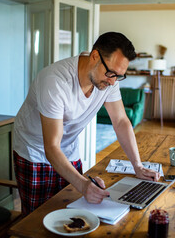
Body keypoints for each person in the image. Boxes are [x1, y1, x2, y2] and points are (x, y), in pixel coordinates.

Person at [13, 32, 161, 216]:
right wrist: (83, 184)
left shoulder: (109, 80)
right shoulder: (54, 81)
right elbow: (51, 146)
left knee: (73, 211)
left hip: (68, 148)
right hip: (34, 151)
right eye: (111, 73)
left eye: (119, 76)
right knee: (37, 219)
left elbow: (121, 121)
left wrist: (137, 166)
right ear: (95, 56)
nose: (113, 81)